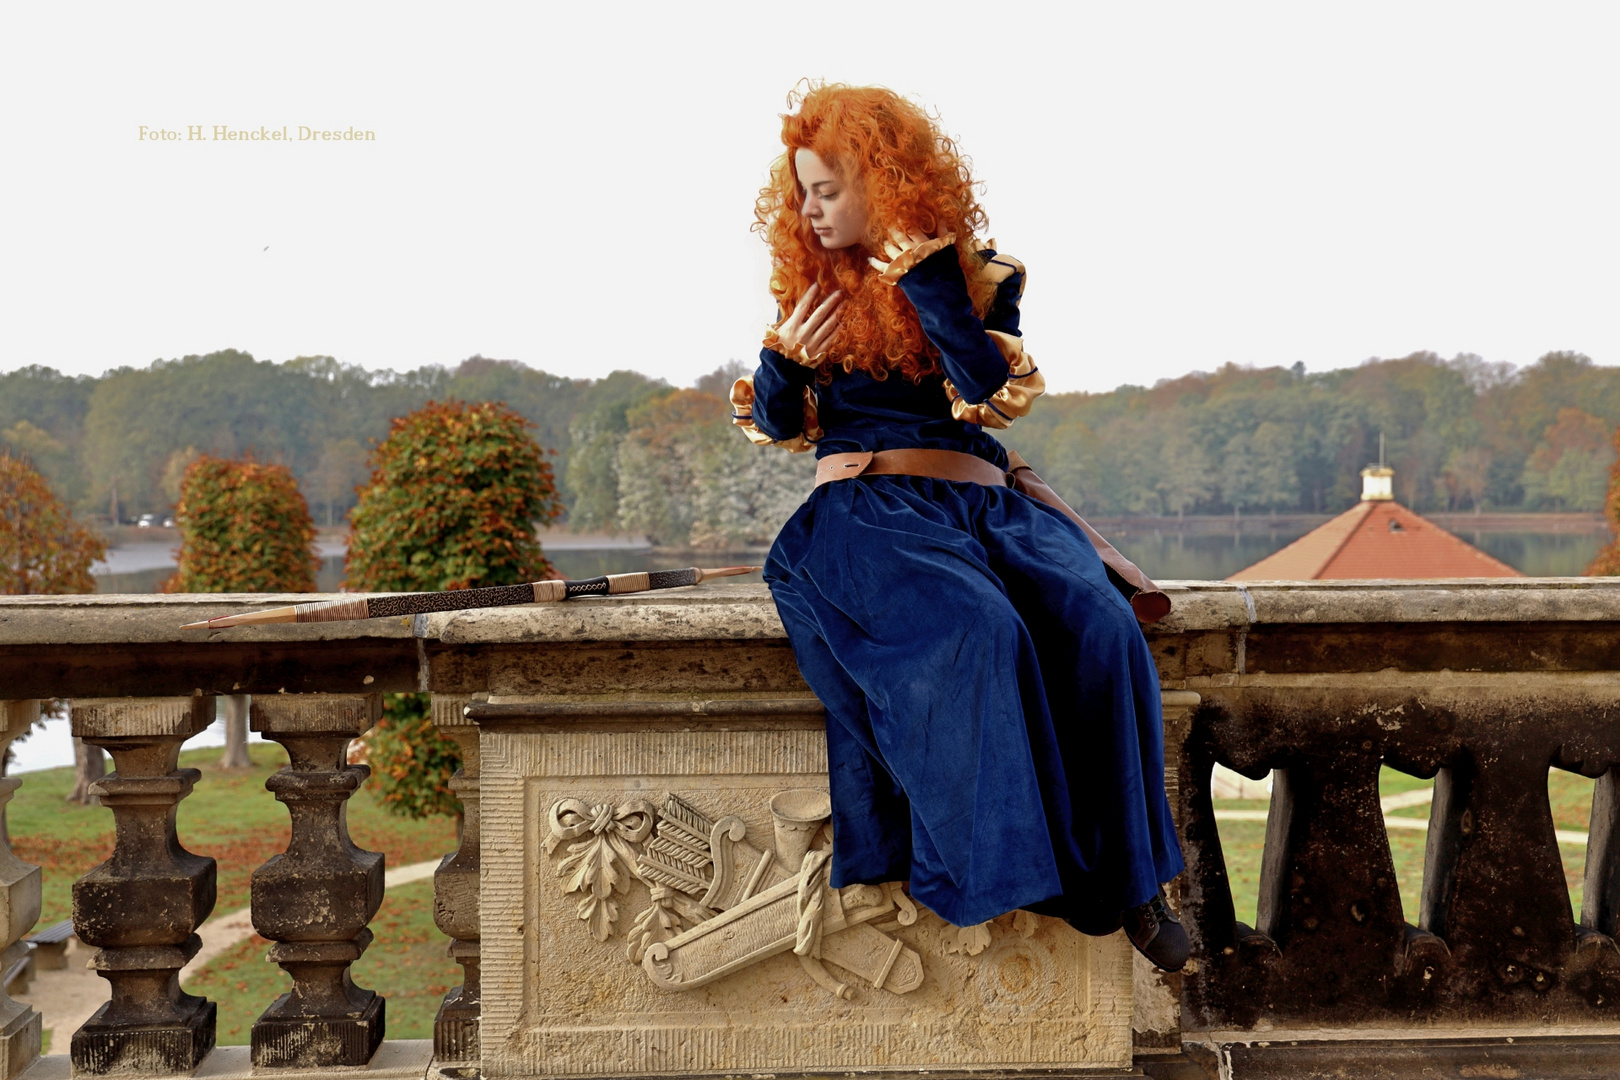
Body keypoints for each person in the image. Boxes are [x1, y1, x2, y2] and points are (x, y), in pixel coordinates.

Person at [730, 83, 1188, 971]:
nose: (811, 209)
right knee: (978, 629)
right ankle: (1010, 870)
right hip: (866, 514)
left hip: (986, 505)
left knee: (1101, 628)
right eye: (803, 192)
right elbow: (783, 427)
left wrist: (930, 281)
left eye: (829, 188)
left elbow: (986, 396)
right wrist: (782, 360)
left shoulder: (979, 275)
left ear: (886, 179)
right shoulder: (811, 293)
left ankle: (1133, 882)